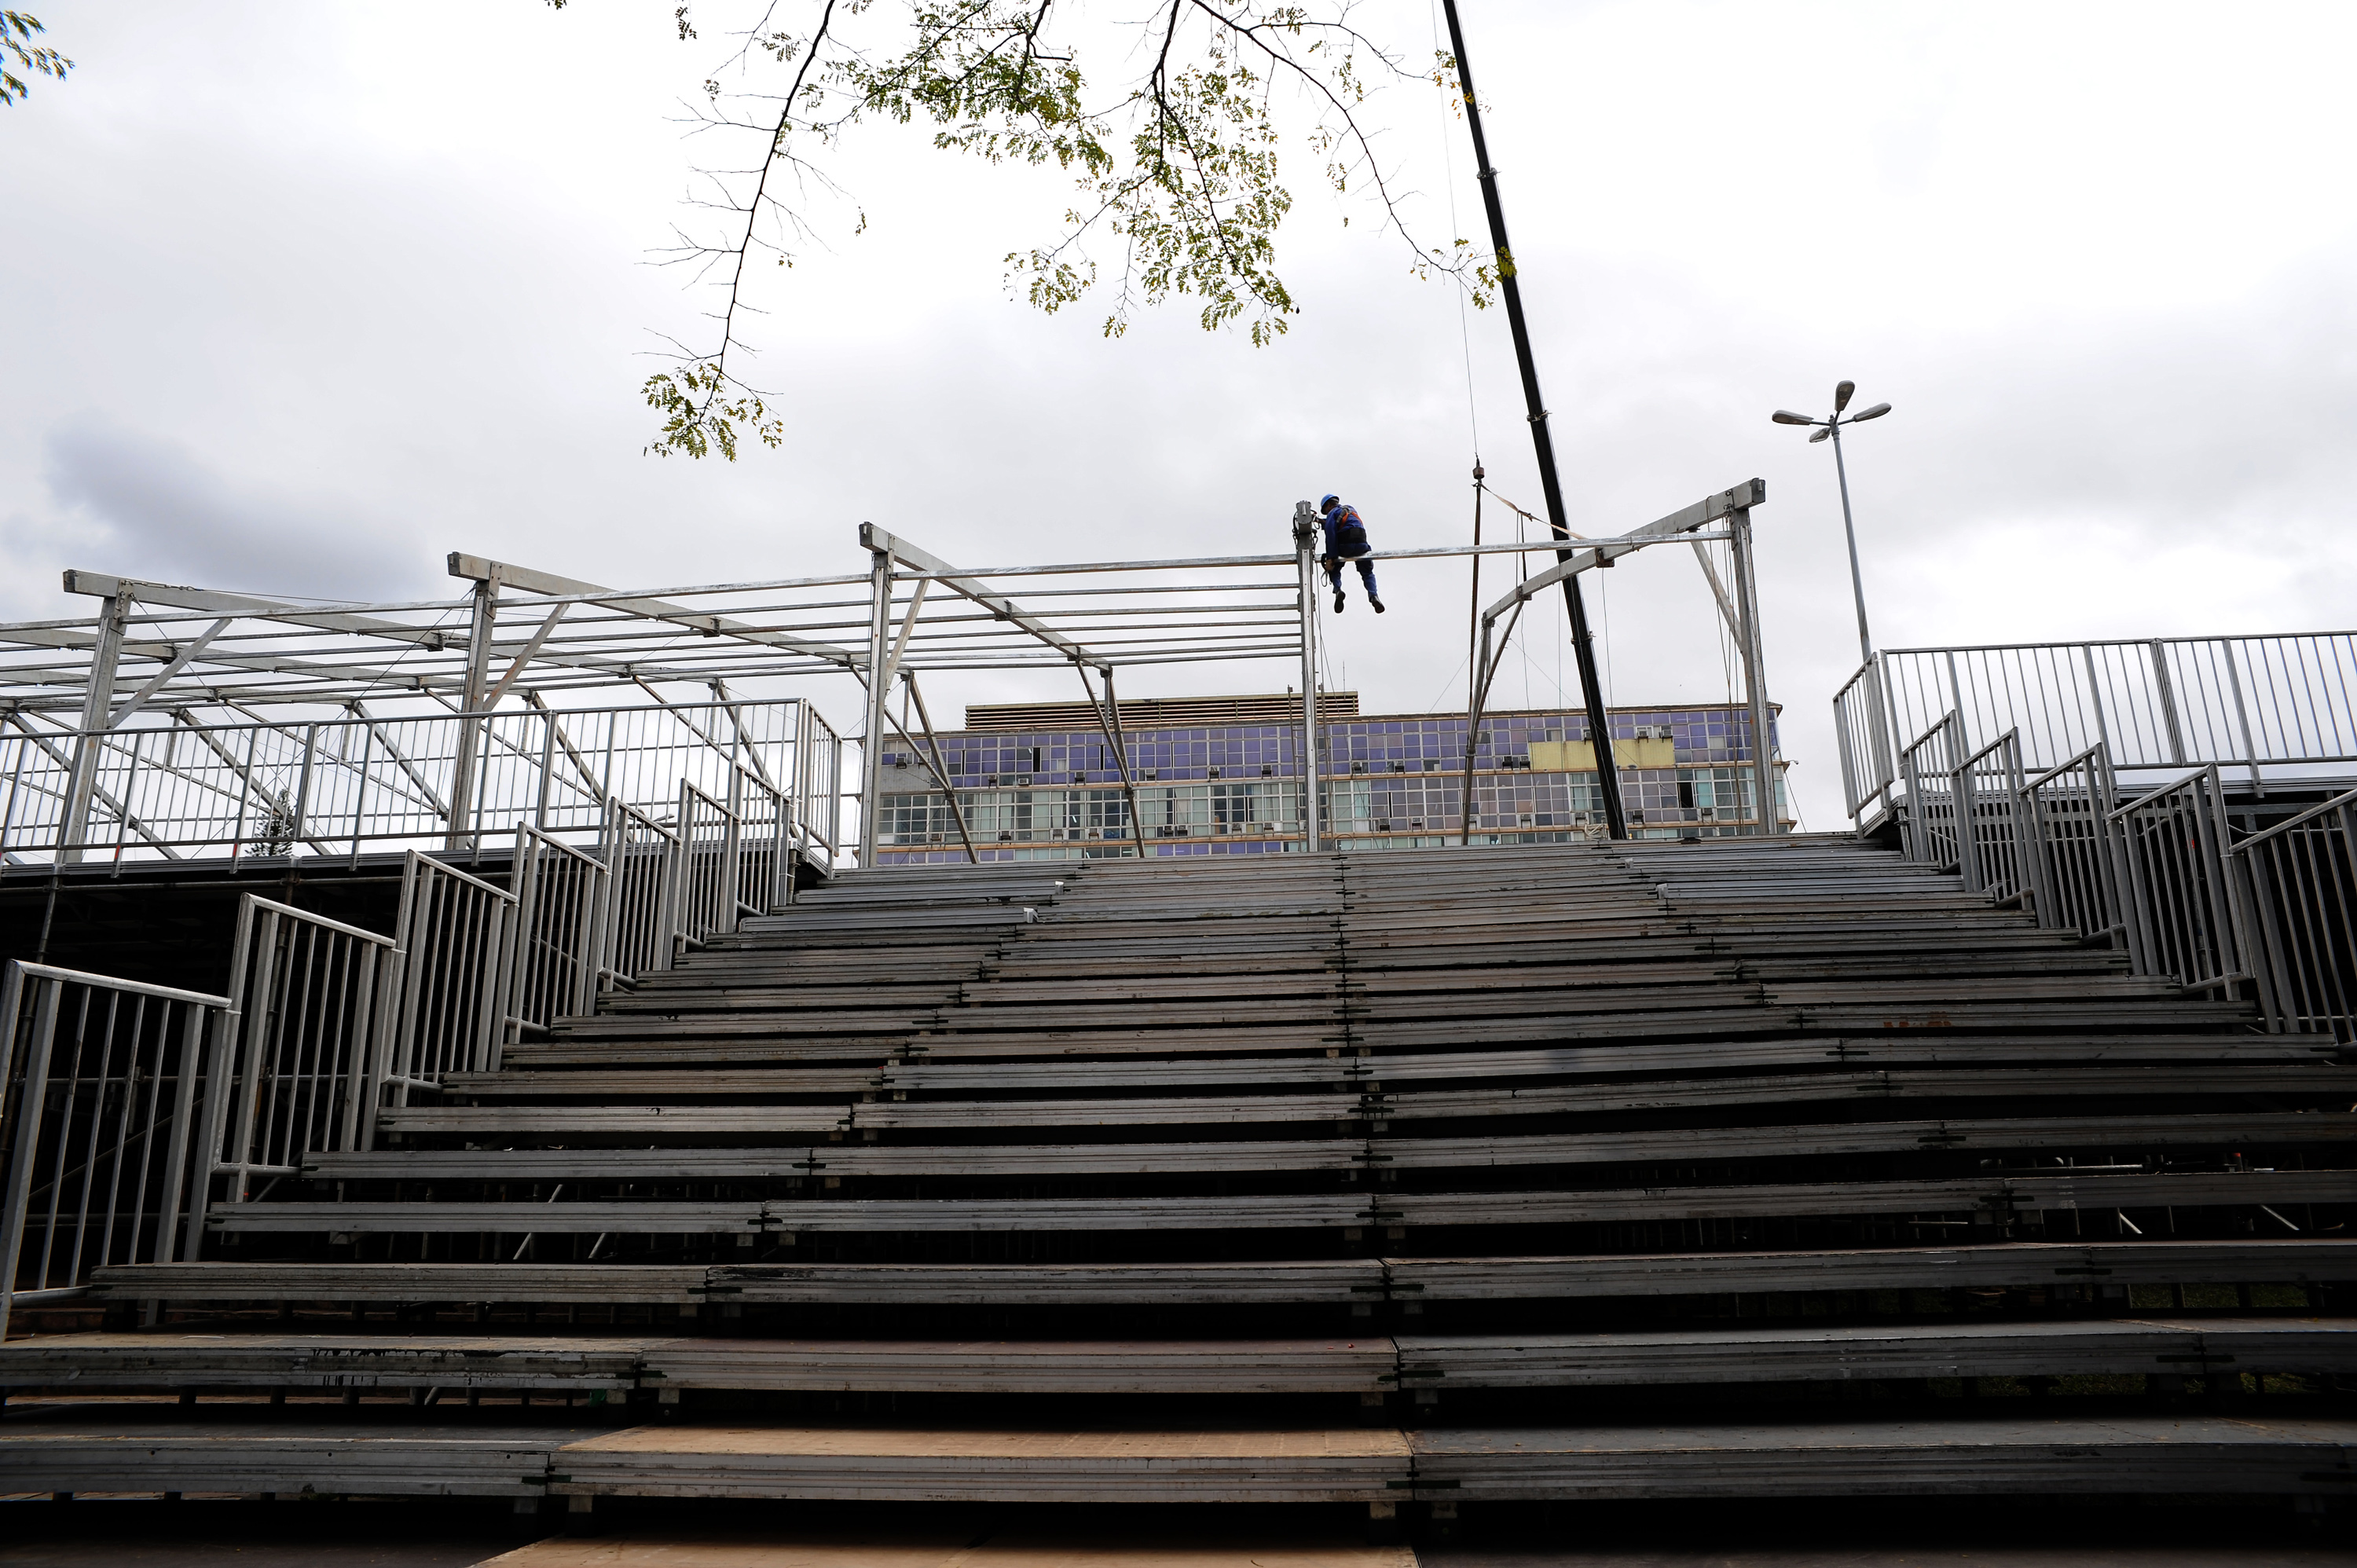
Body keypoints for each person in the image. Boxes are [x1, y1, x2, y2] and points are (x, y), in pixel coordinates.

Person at [1318, 494, 1384, 614]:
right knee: (1367, 572)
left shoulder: (1332, 513)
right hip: (1362, 545)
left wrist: (1331, 558)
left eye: (1325, 510)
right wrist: (1319, 521)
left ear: (1328, 505)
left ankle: (1338, 590)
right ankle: (1374, 595)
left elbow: (1331, 534)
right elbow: (1337, 522)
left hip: (1345, 546)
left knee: (1335, 568)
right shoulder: (1351, 510)